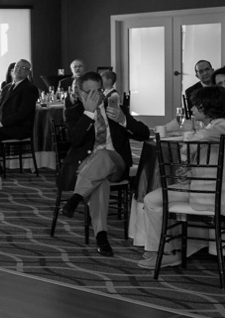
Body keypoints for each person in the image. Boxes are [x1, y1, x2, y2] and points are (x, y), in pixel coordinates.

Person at [58, 71, 149, 257]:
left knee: (103, 156)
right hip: (86, 168)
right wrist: (88, 114)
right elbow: (75, 140)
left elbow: (144, 133)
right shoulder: (74, 113)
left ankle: (76, 198)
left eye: (98, 91)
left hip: (116, 163)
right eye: (89, 92)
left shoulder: (114, 109)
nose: (95, 96)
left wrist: (123, 121)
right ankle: (101, 236)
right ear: (80, 93)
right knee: (99, 182)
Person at [138, 86, 225, 269]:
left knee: (152, 200)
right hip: (203, 186)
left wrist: (188, 135)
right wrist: (189, 172)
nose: (192, 110)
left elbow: (198, 142)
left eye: (195, 106)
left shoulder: (220, 126)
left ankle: (164, 251)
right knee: (154, 199)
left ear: (206, 107)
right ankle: (164, 249)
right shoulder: (212, 128)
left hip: (211, 193)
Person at [0, 59, 39, 142]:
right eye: (17, 66)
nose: (18, 69)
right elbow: (0, 107)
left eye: (23, 68)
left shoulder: (30, 89)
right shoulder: (7, 87)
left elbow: (22, 114)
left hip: (18, 128)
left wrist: (1, 123)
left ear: (27, 72)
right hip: (4, 125)